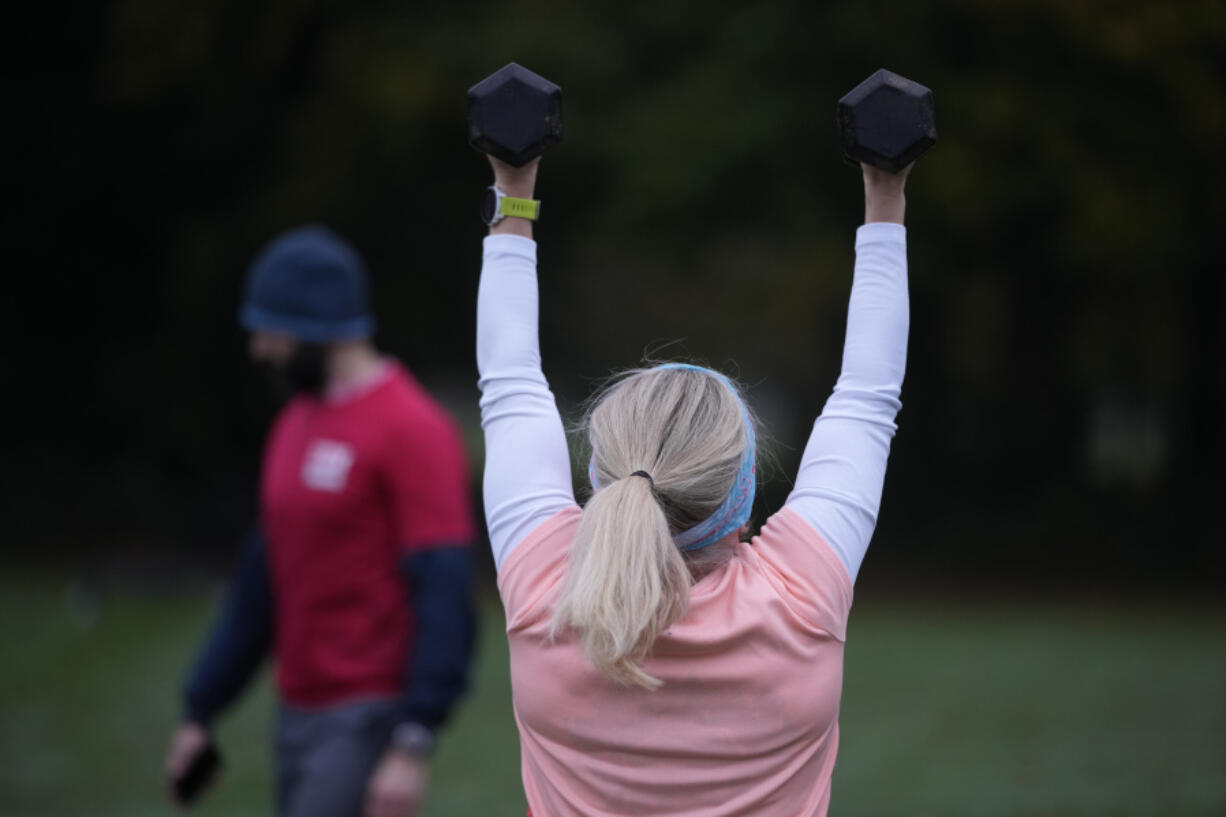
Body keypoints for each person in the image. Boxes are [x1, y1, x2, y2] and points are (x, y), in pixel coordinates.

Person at [475, 152, 911, 816]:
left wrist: (513, 190)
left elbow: (509, 383)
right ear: (741, 492)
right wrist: (886, 192)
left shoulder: (546, 590)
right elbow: (867, 398)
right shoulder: (801, 597)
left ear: (599, 478)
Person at [163, 225, 478, 817]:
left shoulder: (413, 430)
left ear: (315, 327)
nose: (259, 349)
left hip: (367, 715)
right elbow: (263, 580)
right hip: (295, 712)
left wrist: (413, 739)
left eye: (269, 331)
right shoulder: (294, 425)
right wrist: (200, 709)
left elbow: (444, 590)